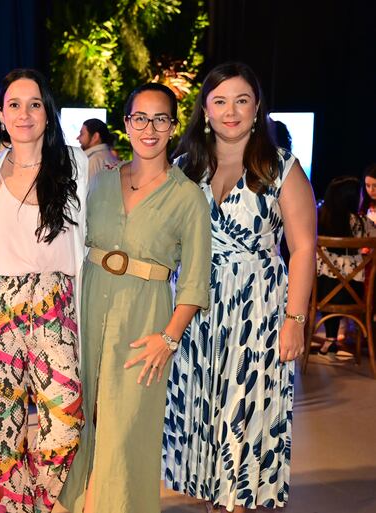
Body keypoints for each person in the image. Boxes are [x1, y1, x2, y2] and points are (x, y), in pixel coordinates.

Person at [162, 62, 317, 512]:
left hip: (257, 313)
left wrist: (295, 320)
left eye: (242, 100)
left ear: (256, 108)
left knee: (245, 415)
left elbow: (303, 248)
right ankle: (215, 502)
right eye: (220, 101)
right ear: (205, 110)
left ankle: (239, 504)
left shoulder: (280, 166)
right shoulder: (184, 167)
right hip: (196, 311)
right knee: (205, 414)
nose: (231, 111)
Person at [59, 83, 211, 513]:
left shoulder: (187, 196)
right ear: (126, 124)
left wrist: (168, 338)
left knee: (126, 431)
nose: (149, 128)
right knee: (85, 418)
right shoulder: (101, 182)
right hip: (89, 309)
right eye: (139, 118)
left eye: (159, 118)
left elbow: (195, 281)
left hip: (145, 318)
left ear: (173, 126)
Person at [0, 68, 87, 513]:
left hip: (55, 306)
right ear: (0, 115)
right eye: (14, 105)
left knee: (65, 422)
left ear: (48, 114)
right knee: (0, 431)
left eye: (34, 104)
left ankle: (34, 500)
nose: (24, 113)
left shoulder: (76, 164)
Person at [316, 176, 376, 354]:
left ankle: (330, 338)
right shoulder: (363, 223)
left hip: (322, 293)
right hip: (354, 295)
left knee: (327, 280)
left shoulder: (321, 221)